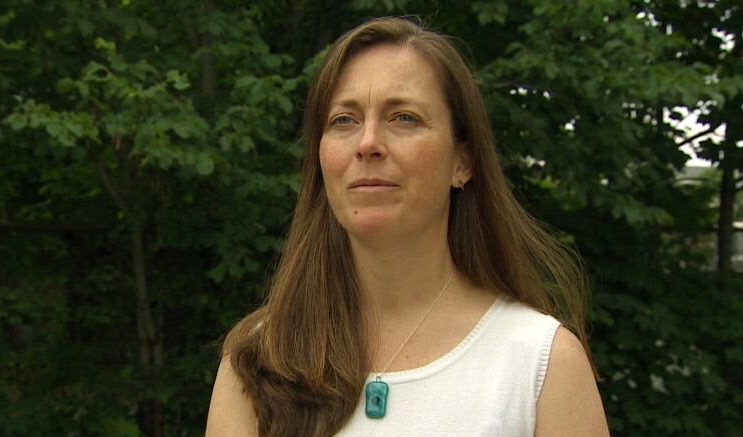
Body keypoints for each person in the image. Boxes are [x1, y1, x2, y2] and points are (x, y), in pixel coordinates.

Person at [206, 17, 609, 437]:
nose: (367, 143)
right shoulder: (259, 358)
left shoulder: (539, 365)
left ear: (463, 161)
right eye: (344, 120)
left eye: (403, 118)